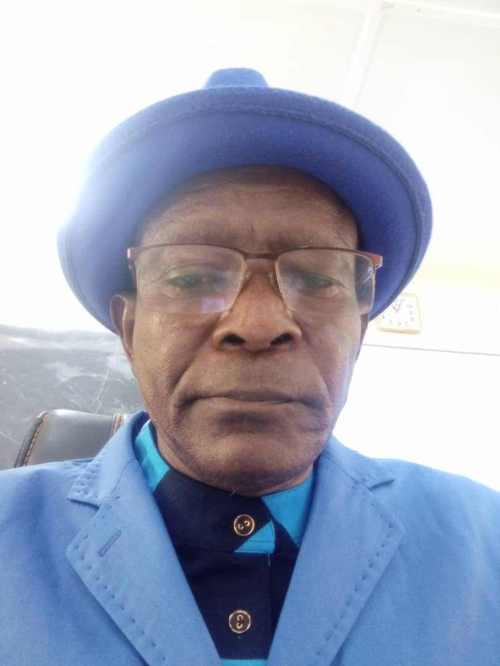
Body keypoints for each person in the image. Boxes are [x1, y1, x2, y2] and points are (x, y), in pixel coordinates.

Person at [1, 68, 499, 666]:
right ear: (129, 329)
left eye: (316, 279)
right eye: (192, 277)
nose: (260, 324)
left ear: (359, 328)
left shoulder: (485, 541)